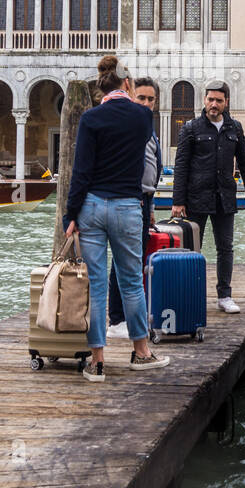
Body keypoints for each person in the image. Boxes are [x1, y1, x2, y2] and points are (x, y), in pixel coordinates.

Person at [63, 55, 169, 383]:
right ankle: (141, 353)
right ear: (127, 84)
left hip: (92, 206)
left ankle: (96, 362)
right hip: (127, 207)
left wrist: (71, 214)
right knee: (131, 283)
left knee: (96, 286)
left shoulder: (91, 119)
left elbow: (80, 172)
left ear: (101, 85)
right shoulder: (142, 118)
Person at [170, 80, 245, 314]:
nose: (214, 104)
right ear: (204, 101)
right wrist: (178, 201)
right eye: (210, 99)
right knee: (192, 249)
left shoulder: (235, 128)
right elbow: (181, 166)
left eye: (219, 100)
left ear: (226, 102)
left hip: (224, 197)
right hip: (196, 197)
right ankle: (190, 294)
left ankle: (224, 295)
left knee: (225, 247)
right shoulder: (191, 128)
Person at [107, 77, 162, 337]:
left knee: (134, 262)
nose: (146, 103)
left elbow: (152, 166)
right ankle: (117, 319)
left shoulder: (148, 127)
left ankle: (125, 318)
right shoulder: (130, 126)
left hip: (144, 200)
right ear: (132, 97)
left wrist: (150, 207)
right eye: (142, 98)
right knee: (123, 261)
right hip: (130, 199)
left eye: (151, 99)